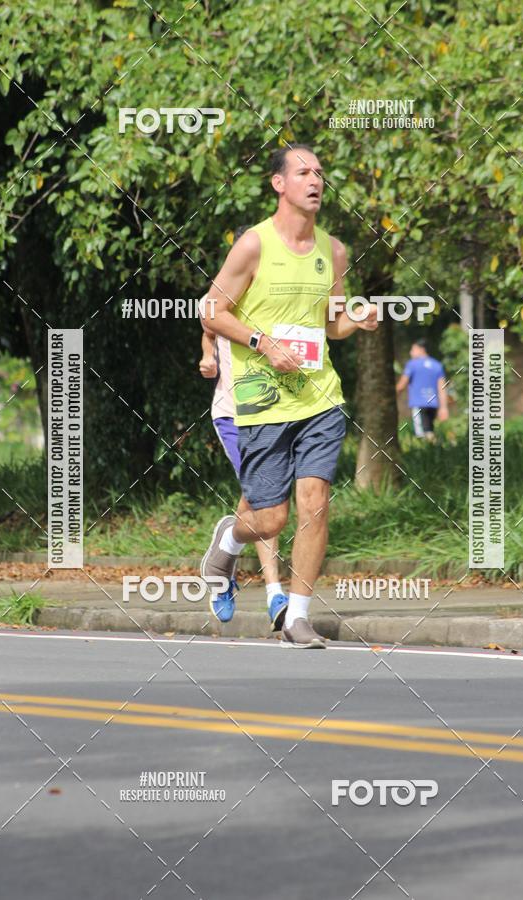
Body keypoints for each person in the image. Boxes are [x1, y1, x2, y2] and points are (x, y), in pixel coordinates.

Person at [199, 143, 378, 648]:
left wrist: (357, 321)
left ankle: (297, 616)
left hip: (320, 397)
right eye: (303, 172)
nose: (315, 180)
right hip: (261, 399)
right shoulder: (253, 246)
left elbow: (332, 323)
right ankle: (230, 538)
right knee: (272, 517)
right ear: (279, 184)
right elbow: (212, 311)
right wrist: (261, 343)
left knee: (315, 503)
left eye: (320, 172)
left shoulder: (334, 251)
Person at [198, 227, 287, 631]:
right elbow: (209, 328)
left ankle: (223, 559)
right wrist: (208, 360)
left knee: (263, 501)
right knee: (263, 498)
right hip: (233, 414)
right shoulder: (226, 296)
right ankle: (274, 594)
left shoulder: (285, 299)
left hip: (274, 411)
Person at [396, 338, 448, 440]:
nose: (411, 353)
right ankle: (434, 451)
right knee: (429, 430)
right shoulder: (437, 365)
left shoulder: (412, 364)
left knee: (421, 435)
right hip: (433, 404)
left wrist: (390, 396)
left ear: (422, 349)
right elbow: (442, 388)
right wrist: (444, 408)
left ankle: (429, 452)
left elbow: (402, 385)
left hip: (419, 405)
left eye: (413, 350)